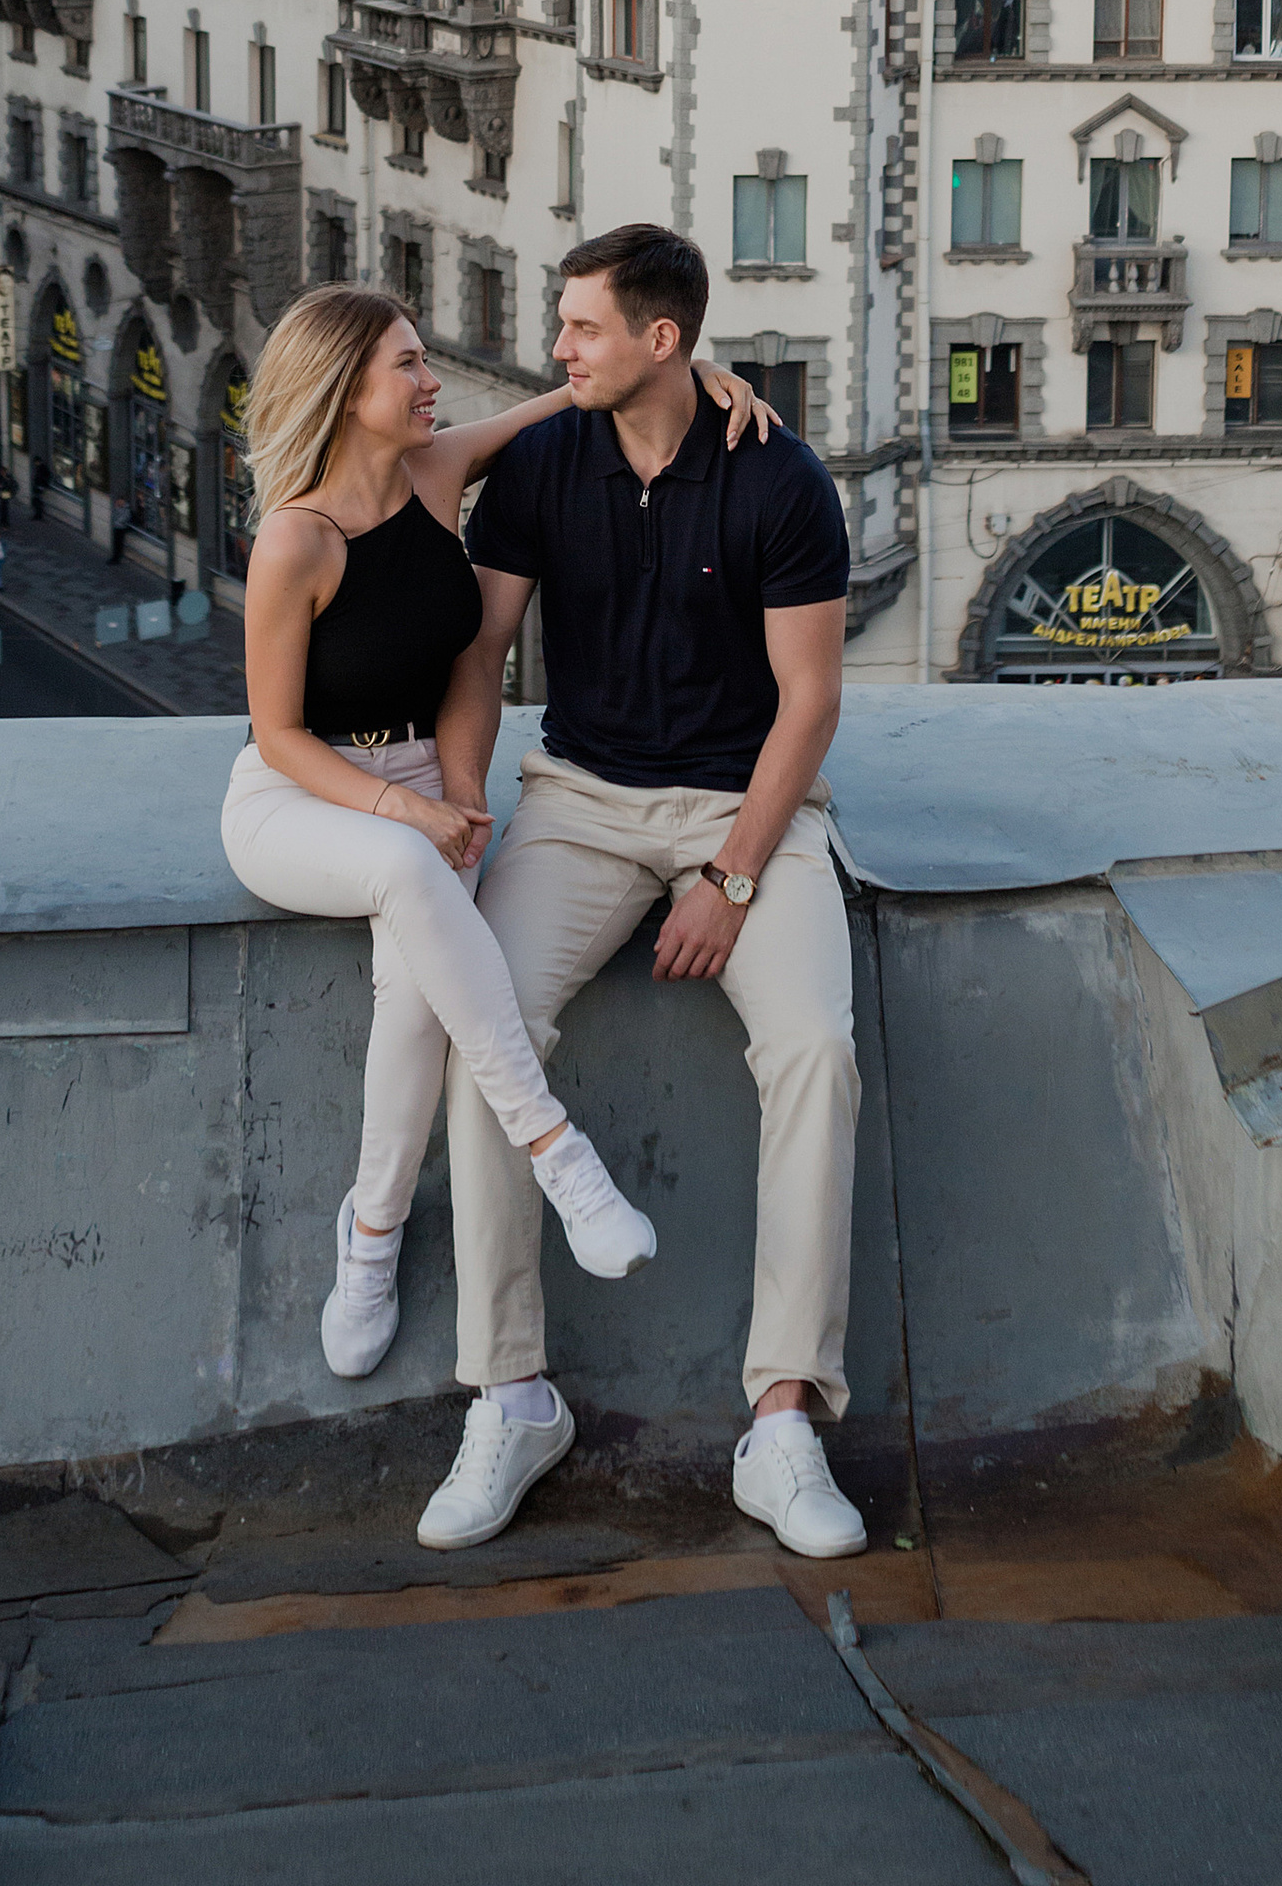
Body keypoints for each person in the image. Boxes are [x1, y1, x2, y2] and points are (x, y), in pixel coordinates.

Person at [219, 283, 781, 1390]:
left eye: (424, 361)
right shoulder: (294, 540)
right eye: (406, 367)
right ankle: (559, 1154)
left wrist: (701, 383)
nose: (431, 383)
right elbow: (278, 735)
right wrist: (408, 808)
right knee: (400, 869)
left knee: (413, 991)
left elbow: (570, 401)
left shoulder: (434, 474)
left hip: (424, 785)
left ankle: (370, 1233)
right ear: (342, 390)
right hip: (305, 797)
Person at [420, 222, 863, 1569]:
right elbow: (483, 648)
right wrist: (465, 798)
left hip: (753, 815)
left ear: (660, 341)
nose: (558, 350)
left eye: (582, 330)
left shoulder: (782, 479)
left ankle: (782, 1420)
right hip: (580, 801)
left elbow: (813, 702)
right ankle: (512, 1396)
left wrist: (732, 876)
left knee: (816, 1057)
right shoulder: (547, 462)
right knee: (483, 1033)